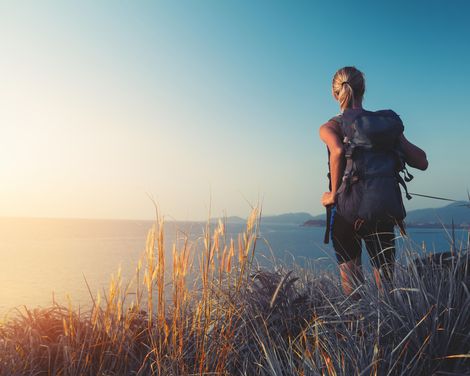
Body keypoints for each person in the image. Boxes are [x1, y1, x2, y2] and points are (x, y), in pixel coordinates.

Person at [319, 66, 428, 295]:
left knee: (353, 293)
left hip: (347, 214)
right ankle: (389, 329)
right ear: (363, 89)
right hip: (382, 210)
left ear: (334, 94)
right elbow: (422, 161)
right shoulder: (384, 126)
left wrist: (333, 194)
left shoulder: (331, 126)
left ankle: (357, 330)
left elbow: (337, 151)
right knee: (386, 290)